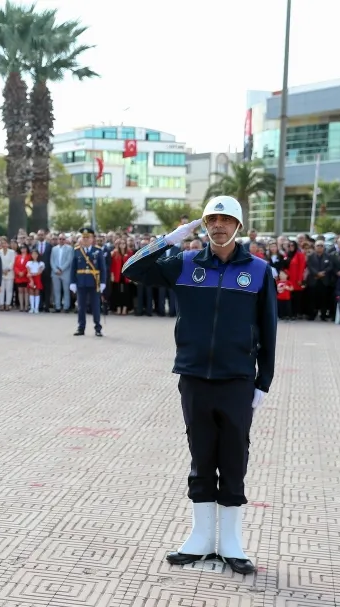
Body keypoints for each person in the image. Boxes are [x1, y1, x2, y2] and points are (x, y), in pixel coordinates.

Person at [122, 195, 277, 575]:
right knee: (201, 455)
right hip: (194, 376)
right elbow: (132, 269)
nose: (218, 226)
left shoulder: (258, 271)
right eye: (212, 219)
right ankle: (201, 538)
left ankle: (231, 542)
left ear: (238, 226)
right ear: (204, 225)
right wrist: (173, 237)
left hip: (237, 380)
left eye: (226, 220)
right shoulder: (185, 263)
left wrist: (264, 382)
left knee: (234, 458)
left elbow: (269, 329)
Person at [70, 226, 106, 337]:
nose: (85, 239)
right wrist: (72, 282)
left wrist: (103, 282)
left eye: (88, 237)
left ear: (92, 238)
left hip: (94, 282)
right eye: (83, 237)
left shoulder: (98, 251)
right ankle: (81, 328)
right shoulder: (76, 251)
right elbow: (73, 268)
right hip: (81, 282)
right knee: (81, 306)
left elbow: (103, 268)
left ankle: (98, 328)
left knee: (95, 306)